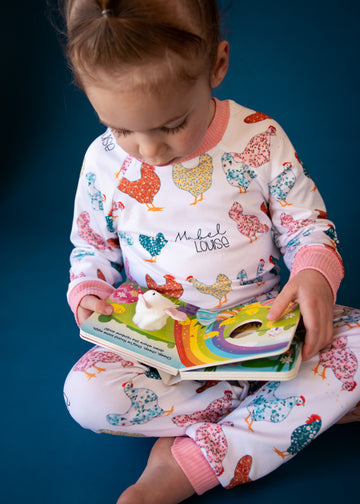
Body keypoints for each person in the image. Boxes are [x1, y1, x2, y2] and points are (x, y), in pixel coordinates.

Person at [62, 1, 360, 503]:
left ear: (216, 66)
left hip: (266, 328)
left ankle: (187, 462)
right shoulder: (101, 162)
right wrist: (88, 290)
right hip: (163, 344)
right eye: (122, 130)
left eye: (172, 124)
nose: (149, 151)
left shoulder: (259, 138)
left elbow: (306, 226)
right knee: (86, 397)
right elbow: (90, 245)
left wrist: (313, 273)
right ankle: (286, 409)